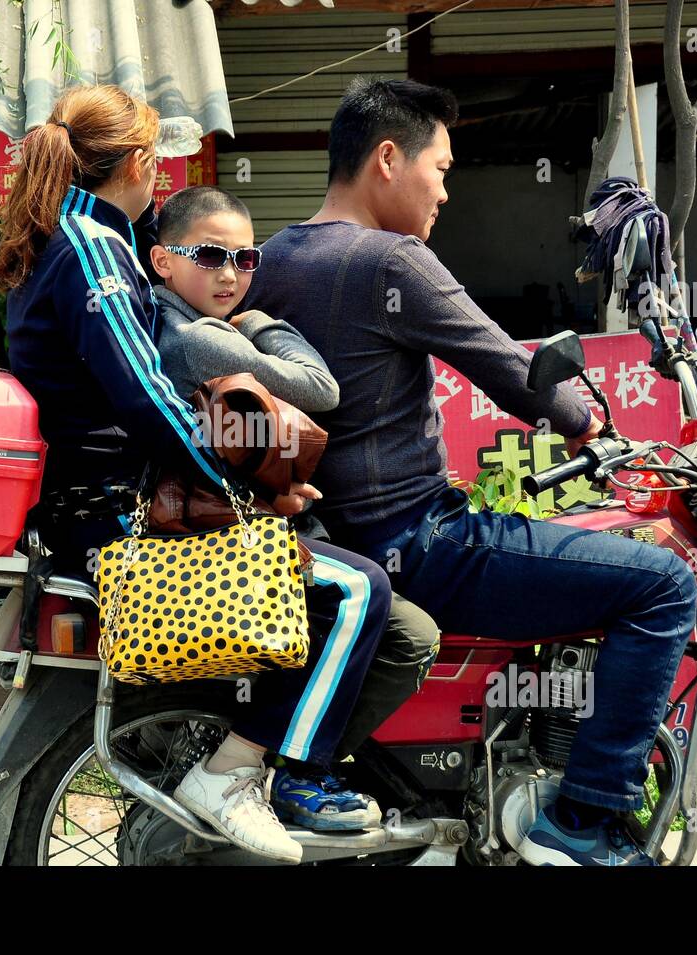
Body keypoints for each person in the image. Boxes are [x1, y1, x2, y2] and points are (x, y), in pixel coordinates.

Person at [240, 77, 697, 867]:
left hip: (330, 536)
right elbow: (507, 366)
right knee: (663, 584)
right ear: (388, 158)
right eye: (441, 169)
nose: (445, 191)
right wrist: (590, 420)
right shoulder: (394, 261)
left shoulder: (273, 256)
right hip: (416, 540)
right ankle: (585, 816)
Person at [0, 84, 391, 864]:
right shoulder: (90, 245)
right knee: (359, 591)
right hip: (112, 516)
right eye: (160, 162)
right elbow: (145, 395)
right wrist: (243, 493)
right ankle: (242, 773)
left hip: (107, 503)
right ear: (139, 163)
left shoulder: (76, 235)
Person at [148, 184, 441, 830]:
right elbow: (321, 387)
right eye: (210, 255)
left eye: (246, 260)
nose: (229, 274)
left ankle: (297, 768)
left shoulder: (196, 325)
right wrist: (260, 323)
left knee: (412, 635)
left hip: (237, 525)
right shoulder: (196, 337)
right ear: (163, 260)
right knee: (364, 590)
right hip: (213, 544)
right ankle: (252, 770)